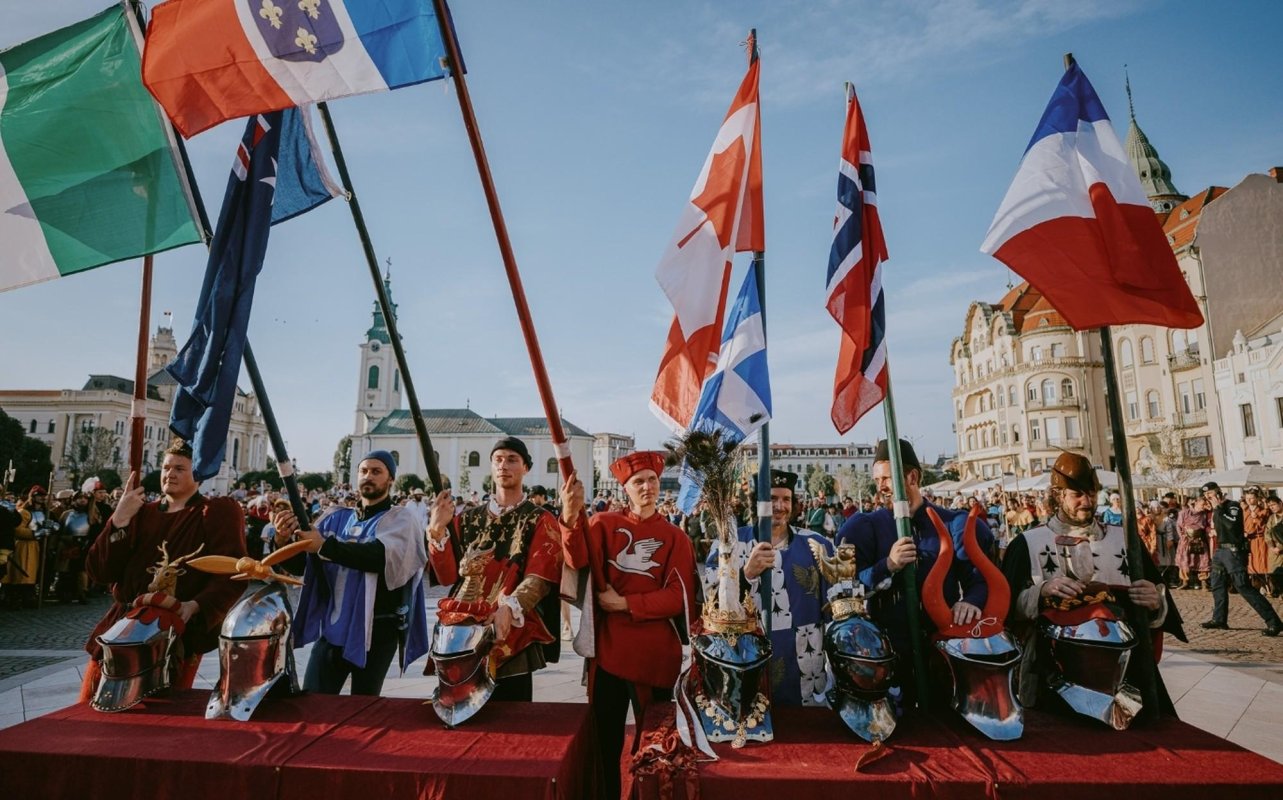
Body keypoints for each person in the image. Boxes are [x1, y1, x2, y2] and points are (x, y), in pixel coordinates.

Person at [1001, 451, 1176, 723]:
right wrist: (1041, 592)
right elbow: (1005, 610)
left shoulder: (1125, 540)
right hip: (1052, 671)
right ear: (1058, 495)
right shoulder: (1028, 544)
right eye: (1077, 494)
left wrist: (1156, 602)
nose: (1087, 501)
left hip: (1124, 671)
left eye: (1092, 493)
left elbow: (1157, 604)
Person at [559, 452, 694, 800]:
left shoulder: (676, 537)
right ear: (626, 489)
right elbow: (576, 559)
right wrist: (570, 517)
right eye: (638, 482)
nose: (647, 487)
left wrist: (625, 604)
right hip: (610, 654)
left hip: (656, 658)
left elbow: (678, 597)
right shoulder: (602, 524)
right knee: (605, 739)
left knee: (653, 746)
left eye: (652, 480)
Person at [79, 439, 247, 701]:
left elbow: (232, 572)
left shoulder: (215, 512)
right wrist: (119, 520)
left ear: (199, 473)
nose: (170, 474)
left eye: (180, 468)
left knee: (162, 713)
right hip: (124, 623)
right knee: (93, 705)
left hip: (178, 629)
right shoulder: (139, 512)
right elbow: (100, 571)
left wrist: (197, 605)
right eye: (167, 467)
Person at [835, 439, 990, 704]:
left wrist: (971, 602)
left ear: (913, 477)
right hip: (887, 655)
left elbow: (979, 579)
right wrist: (888, 565)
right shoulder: (866, 526)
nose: (880, 487)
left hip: (943, 650)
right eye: (877, 479)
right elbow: (849, 589)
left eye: (887, 478)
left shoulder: (952, 523)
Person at [273, 450, 429, 695]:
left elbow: (378, 557)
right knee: (313, 700)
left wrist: (324, 545)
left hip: (378, 631)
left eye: (377, 471)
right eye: (364, 471)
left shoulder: (401, 519)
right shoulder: (335, 518)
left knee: (363, 707)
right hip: (334, 627)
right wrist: (283, 541)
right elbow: (304, 565)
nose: (368, 476)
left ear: (390, 480)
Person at [426, 437, 563, 700]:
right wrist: (437, 530)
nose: (504, 465)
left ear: (526, 468)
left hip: (512, 635)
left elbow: (540, 577)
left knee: (512, 720)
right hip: (461, 635)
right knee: (459, 713)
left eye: (512, 459)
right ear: (491, 466)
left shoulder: (540, 518)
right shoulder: (466, 519)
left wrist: (509, 608)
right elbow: (447, 576)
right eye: (498, 459)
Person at [705, 469, 834, 707]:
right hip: (747, 662)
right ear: (756, 504)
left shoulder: (818, 545)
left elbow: (836, 606)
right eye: (772, 499)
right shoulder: (729, 544)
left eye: (786, 499)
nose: (780, 506)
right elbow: (711, 603)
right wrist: (747, 573)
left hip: (807, 666)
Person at [1200, 481, 1283, 636]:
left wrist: (1218, 508)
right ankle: (1219, 619)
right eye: (1205, 495)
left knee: (1243, 586)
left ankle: (1274, 622)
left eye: (1210, 494)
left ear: (1218, 492)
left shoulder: (1233, 506)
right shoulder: (1215, 509)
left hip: (1233, 552)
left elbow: (1231, 525)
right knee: (1217, 584)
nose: (1207, 497)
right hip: (1220, 550)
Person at [1175, 497, 1211, 589]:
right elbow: (1179, 526)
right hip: (1186, 539)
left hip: (1199, 539)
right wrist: (1182, 537)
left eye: (1205, 504)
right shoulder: (1184, 513)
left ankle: (1203, 582)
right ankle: (1185, 581)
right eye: (1202, 504)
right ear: (1196, 503)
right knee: (1184, 560)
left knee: (1203, 560)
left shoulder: (1204, 514)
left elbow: (1207, 525)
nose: (1204, 506)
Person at [1265, 494, 1283, 598]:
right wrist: (1272, 547)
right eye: (1270, 505)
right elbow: (1267, 534)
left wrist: (1280, 547)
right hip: (1275, 551)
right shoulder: (1271, 518)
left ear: (1280, 503)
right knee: (1275, 573)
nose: (1272, 507)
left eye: (1274, 504)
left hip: (1281, 547)